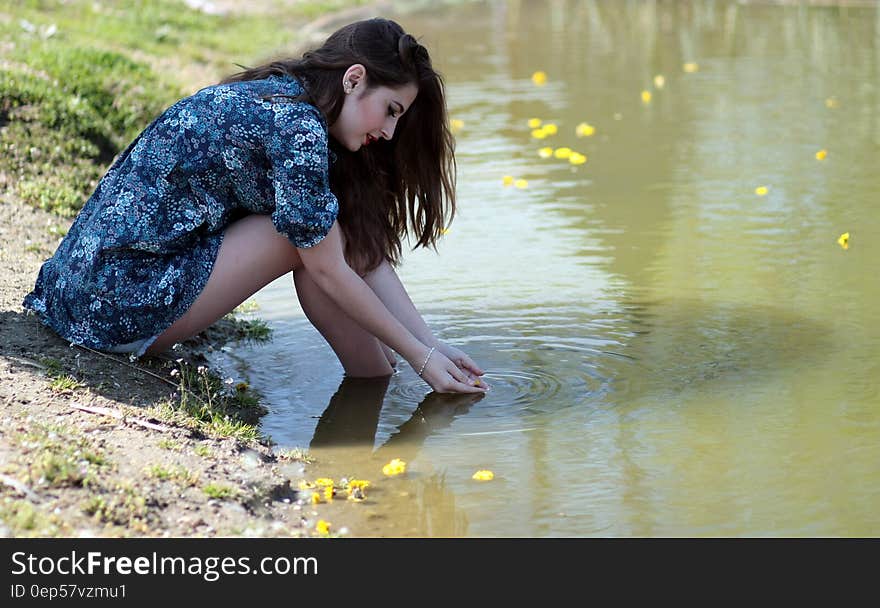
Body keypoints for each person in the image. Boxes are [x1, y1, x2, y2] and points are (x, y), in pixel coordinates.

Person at [22, 18, 486, 395]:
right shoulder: (296, 126)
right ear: (354, 78)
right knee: (305, 245)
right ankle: (374, 389)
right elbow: (327, 267)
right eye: (391, 111)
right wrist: (420, 358)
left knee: (326, 239)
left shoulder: (283, 96)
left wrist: (430, 345)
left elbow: (361, 254)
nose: (388, 133)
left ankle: (376, 387)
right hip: (112, 307)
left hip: (79, 293)